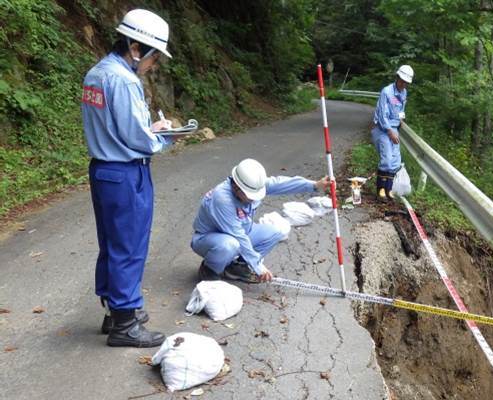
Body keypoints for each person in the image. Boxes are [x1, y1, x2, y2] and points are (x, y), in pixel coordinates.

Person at [81, 9, 176, 348]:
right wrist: (165, 135)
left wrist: (147, 131)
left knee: (112, 243)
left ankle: (116, 311)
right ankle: (125, 324)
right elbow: (137, 137)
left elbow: (115, 126)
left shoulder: (96, 73)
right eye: (153, 57)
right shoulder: (123, 80)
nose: (154, 65)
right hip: (125, 172)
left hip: (103, 169)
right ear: (136, 48)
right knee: (130, 246)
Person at [191, 159, 330, 283]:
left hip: (244, 232)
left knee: (276, 232)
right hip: (209, 239)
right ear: (236, 187)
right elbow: (237, 236)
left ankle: (237, 268)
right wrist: (258, 267)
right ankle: (209, 271)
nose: (253, 199)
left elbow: (281, 183)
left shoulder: (253, 184)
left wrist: (314, 185)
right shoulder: (222, 199)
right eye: (250, 196)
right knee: (229, 245)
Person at [371, 65, 414, 201]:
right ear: (397, 77)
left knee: (395, 161)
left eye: (406, 82)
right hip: (383, 129)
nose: (403, 84)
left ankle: (389, 190)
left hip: (394, 128)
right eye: (402, 81)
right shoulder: (387, 92)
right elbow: (382, 115)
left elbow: (401, 109)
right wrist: (390, 131)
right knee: (387, 160)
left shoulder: (404, 93)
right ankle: (380, 190)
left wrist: (401, 119)